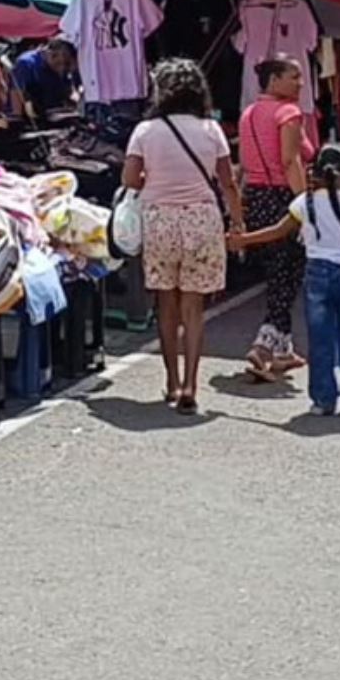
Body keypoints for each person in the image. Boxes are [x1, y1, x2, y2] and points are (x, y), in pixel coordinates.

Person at [123, 58, 243, 414]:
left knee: (166, 305)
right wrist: (237, 223)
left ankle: (171, 382)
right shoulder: (211, 129)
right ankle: (192, 383)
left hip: (160, 220)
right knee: (194, 307)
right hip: (202, 221)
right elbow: (228, 182)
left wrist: (157, 181)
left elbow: (130, 180)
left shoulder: (145, 131)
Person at [230, 146, 340, 417]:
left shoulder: (303, 204)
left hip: (317, 272)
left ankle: (323, 399)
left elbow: (278, 231)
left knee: (320, 339)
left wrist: (242, 240)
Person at [237, 57, 315, 378]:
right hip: (283, 196)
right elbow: (289, 160)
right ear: (274, 80)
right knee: (289, 273)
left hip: (256, 196)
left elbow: (245, 162)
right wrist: (303, 204)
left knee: (277, 272)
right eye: (293, 77)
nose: (300, 83)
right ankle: (263, 344)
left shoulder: (249, 113)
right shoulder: (288, 113)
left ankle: (284, 351)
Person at [11, 38, 81, 121]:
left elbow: (73, 88)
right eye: (60, 63)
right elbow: (16, 91)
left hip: (59, 111)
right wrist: (17, 117)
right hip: (34, 115)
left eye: (66, 64)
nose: (62, 69)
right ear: (51, 54)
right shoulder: (27, 63)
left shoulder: (67, 65)